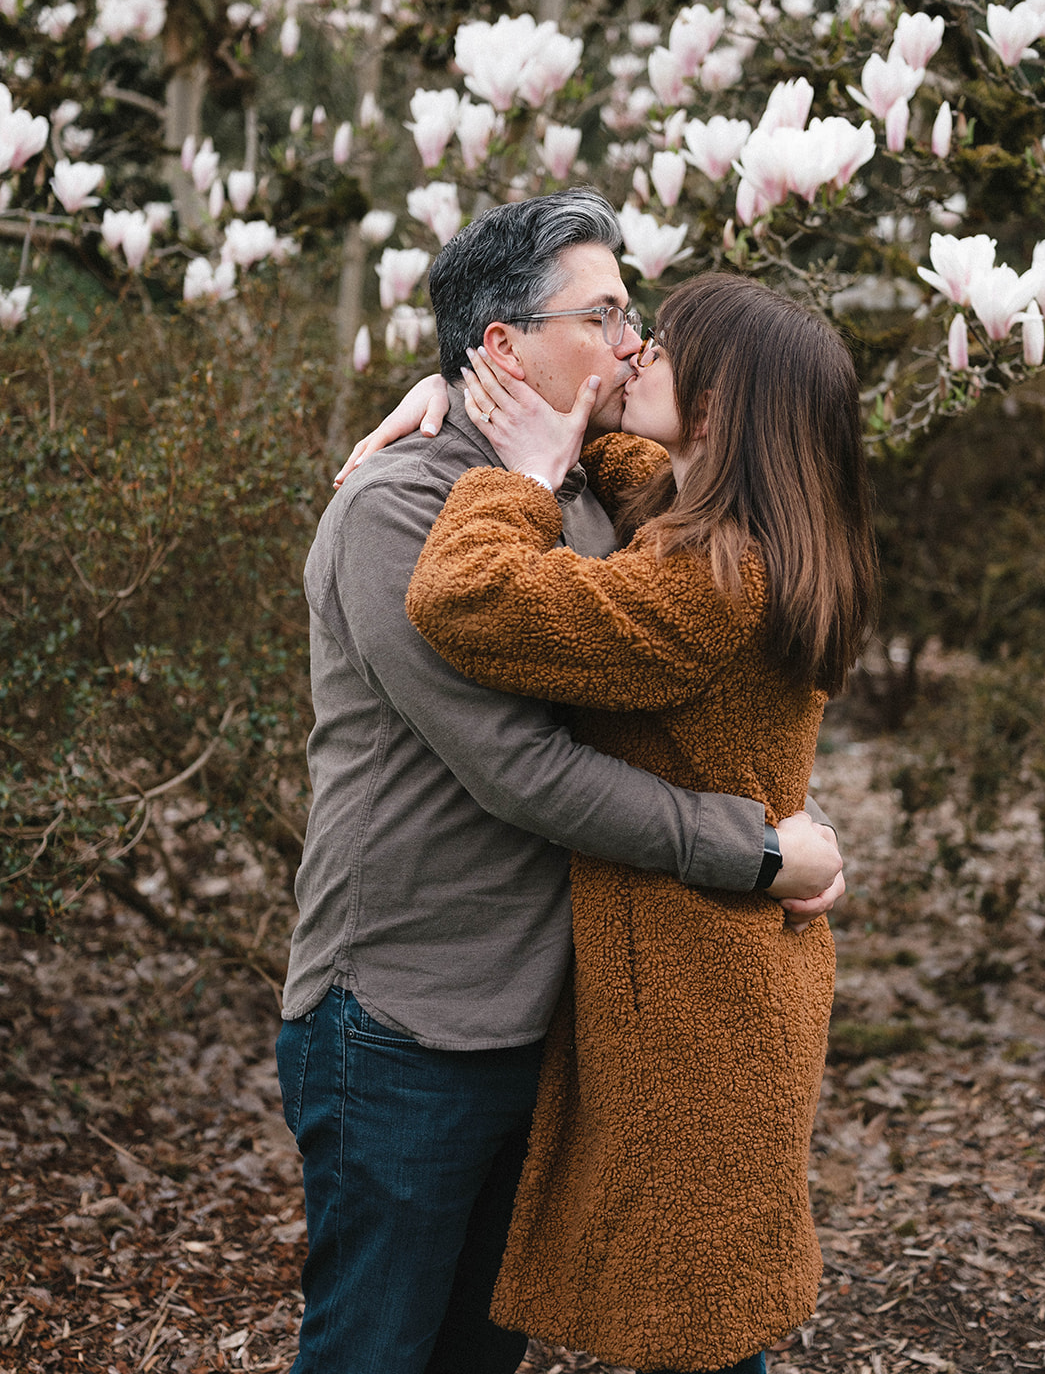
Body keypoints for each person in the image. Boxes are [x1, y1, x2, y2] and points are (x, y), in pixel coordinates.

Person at [276, 189, 844, 1374]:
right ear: (504, 345)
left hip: (541, 1011)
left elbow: (684, 484)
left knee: (480, 1356)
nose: (635, 343)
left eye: (643, 321)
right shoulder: (395, 510)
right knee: (375, 1348)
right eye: (609, 312)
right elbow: (523, 767)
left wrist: (504, 435)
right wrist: (754, 846)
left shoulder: (592, 489)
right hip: (403, 1017)